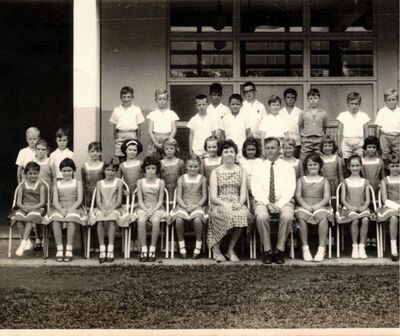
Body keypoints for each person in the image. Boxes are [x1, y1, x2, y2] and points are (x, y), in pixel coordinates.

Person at [251, 137, 296, 264]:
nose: (270, 151)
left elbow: (290, 189)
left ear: (279, 149)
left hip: (284, 200)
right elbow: (255, 188)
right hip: (263, 200)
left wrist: (279, 204)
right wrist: (267, 203)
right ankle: (267, 251)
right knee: (261, 216)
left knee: (287, 216)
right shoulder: (259, 167)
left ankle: (279, 250)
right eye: (267, 148)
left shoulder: (287, 167)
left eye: (273, 147)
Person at [208, 140, 251, 263]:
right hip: (219, 203)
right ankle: (216, 248)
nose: (229, 154)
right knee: (227, 213)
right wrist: (225, 204)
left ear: (235, 154)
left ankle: (230, 249)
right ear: (221, 154)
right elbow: (213, 196)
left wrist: (239, 203)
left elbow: (243, 193)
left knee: (243, 214)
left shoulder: (242, 171)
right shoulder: (215, 172)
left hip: (236, 202)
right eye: (226, 151)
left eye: (231, 151)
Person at [45, 158, 86, 262]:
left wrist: (71, 209)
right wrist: (61, 209)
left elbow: (79, 199)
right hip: (60, 207)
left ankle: (69, 248)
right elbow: (55, 201)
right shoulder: (57, 184)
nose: (66, 173)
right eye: (64, 171)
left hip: (74, 207)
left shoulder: (77, 183)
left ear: (73, 171)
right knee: (55, 220)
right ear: (61, 171)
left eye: (69, 170)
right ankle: (59, 248)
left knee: (71, 219)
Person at [89, 160, 129, 263]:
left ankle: (110, 248)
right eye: (108, 170)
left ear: (115, 172)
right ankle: (102, 248)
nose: (110, 172)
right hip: (102, 207)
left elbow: (119, 200)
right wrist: (102, 208)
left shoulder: (118, 182)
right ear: (104, 170)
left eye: (113, 170)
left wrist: (111, 208)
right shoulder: (99, 183)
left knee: (112, 219)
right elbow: (98, 200)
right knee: (99, 220)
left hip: (115, 207)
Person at [295, 153, 332, 262]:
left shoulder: (324, 180)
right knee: (301, 218)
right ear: (306, 166)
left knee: (323, 218)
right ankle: (305, 249)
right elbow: (298, 195)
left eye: (315, 164)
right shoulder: (301, 180)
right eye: (310, 165)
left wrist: (317, 206)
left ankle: (321, 249)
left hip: (319, 204)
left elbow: (326, 197)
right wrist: (306, 206)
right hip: (304, 204)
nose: (313, 167)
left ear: (320, 166)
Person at [170, 154, 207, 259]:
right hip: (183, 205)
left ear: (199, 166)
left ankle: (198, 245)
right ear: (186, 166)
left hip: (197, 205)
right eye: (190, 166)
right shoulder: (181, 179)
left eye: (195, 166)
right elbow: (178, 196)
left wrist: (197, 205)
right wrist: (185, 206)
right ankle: (182, 245)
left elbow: (204, 196)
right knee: (178, 220)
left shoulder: (203, 179)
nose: (193, 169)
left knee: (198, 220)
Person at [336, 155, 371, 259]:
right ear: (348, 167)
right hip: (349, 208)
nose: (355, 168)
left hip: (362, 207)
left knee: (365, 220)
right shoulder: (345, 182)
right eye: (352, 166)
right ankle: (355, 246)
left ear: (361, 166)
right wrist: (350, 207)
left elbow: (368, 199)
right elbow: (343, 199)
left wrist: (364, 207)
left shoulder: (365, 182)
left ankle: (362, 247)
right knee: (355, 220)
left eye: (357, 165)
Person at [11, 162, 46, 256]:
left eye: (35, 173)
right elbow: (18, 202)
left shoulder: (41, 185)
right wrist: (23, 207)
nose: (32, 175)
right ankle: (28, 241)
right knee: (18, 217)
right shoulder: (22, 186)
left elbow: (42, 202)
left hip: (37, 208)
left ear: (38, 174)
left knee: (30, 218)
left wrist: (33, 208)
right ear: (25, 174)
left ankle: (23, 244)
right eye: (30, 173)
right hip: (24, 208)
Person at [135, 156, 166, 262]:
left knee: (156, 221)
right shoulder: (140, 182)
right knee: (141, 220)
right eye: (148, 168)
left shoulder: (160, 182)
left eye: (153, 168)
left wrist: (153, 211)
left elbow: (160, 200)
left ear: (157, 169)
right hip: (143, 207)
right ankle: (144, 249)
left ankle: (152, 249)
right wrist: (146, 210)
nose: (151, 171)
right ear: (144, 170)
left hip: (157, 207)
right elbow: (140, 200)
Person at [109, 86, 145, 162]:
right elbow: (114, 126)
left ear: (132, 97)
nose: (126, 99)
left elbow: (139, 126)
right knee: (122, 161)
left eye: (129, 97)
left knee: (131, 159)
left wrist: (137, 140)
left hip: (132, 135)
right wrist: (116, 139)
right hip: (120, 136)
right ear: (120, 97)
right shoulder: (116, 110)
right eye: (124, 97)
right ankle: (123, 174)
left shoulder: (136, 109)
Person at [377, 154, 400, 261]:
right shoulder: (385, 180)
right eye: (392, 166)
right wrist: (397, 207)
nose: (395, 168)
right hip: (390, 206)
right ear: (388, 167)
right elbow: (385, 199)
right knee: (394, 218)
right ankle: (394, 249)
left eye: (397, 165)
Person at [336, 92, 370, 160]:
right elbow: (339, 132)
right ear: (348, 104)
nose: (354, 106)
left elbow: (366, 132)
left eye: (356, 104)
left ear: (359, 104)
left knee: (359, 163)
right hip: (346, 142)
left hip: (359, 142)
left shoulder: (364, 116)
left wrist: (366, 146)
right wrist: (339, 147)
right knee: (346, 163)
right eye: (352, 103)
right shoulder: (343, 115)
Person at [147, 89, 179, 159]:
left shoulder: (171, 113)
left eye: (164, 99)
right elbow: (150, 131)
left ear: (167, 100)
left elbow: (174, 129)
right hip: (155, 139)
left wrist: (168, 141)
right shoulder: (153, 114)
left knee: (167, 158)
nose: (162, 101)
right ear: (156, 100)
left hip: (168, 138)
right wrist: (156, 143)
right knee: (154, 159)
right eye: (160, 99)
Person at [32, 139, 52, 250]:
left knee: (46, 214)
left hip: (47, 191)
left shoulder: (50, 161)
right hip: (36, 192)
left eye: (43, 149)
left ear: (47, 151)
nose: (40, 151)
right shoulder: (32, 161)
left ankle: (45, 238)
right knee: (36, 214)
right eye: (38, 149)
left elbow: (53, 177)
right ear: (35, 150)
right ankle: (37, 238)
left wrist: (53, 191)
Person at [299, 88, 328, 161]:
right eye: (311, 98)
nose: (313, 100)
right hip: (306, 141)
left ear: (319, 99)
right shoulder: (303, 113)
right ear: (308, 100)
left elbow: (325, 127)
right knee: (304, 159)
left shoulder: (323, 113)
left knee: (319, 159)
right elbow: (300, 126)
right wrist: (303, 138)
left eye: (315, 98)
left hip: (319, 140)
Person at [374, 89, 400, 161]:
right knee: (385, 155)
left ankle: (396, 171)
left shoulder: (399, 111)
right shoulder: (382, 111)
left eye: (393, 99)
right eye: (389, 100)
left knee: (397, 155)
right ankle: (385, 171)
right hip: (385, 137)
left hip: (397, 137)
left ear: (397, 100)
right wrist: (377, 141)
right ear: (385, 101)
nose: (391, 102)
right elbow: (378, 127)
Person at [238, 137, 263, 210]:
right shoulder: (241, 161)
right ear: (245, 150)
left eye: (253, 150)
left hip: (256, 187)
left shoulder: (259, 161)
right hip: (245, 187)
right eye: (248, 150)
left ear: (256, 150)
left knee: (255, 206)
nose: (251, 152)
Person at [160, 138, 185, 204]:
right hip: (164, 191)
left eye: (171, 148)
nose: (169, 151)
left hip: (177, 191)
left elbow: (183, 178)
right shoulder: (161, 163)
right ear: (163, 150)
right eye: (167, 149)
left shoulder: (180, 162)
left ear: (175, 149)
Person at [280, 88, 302, 158]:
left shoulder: (300, 112)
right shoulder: (280, 112)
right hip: (283, 144)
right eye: (288, 97)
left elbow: (302, 128)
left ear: (295, 99)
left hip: (297, 144)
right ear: (284, 99)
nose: (290, 99)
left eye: (292, 97)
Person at [81, 142, 104, 208]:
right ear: (88, 152)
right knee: (89, 209)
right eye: (92, 151)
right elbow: (83, 181)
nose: (95, 153)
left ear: (101, 153)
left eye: (97, 151)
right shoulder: (84, 166)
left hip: (100, 192)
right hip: (88, 193)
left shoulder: (103, 165)